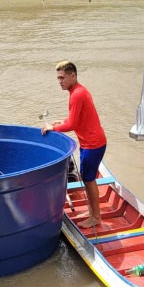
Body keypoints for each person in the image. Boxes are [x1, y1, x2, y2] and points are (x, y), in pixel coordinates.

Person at [41, 61, 107, 229]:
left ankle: (96, 217)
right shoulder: (78, 91)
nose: (60, 81)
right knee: (87, 178)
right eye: (58, 78)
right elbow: (75, 120)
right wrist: (62, 121)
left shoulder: (77, 94)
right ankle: (93, 212)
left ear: (73, 76)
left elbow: (72, 126)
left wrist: (53, 127)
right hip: (90, 142)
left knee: (89, 180)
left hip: (93, 144)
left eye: (62, 77)